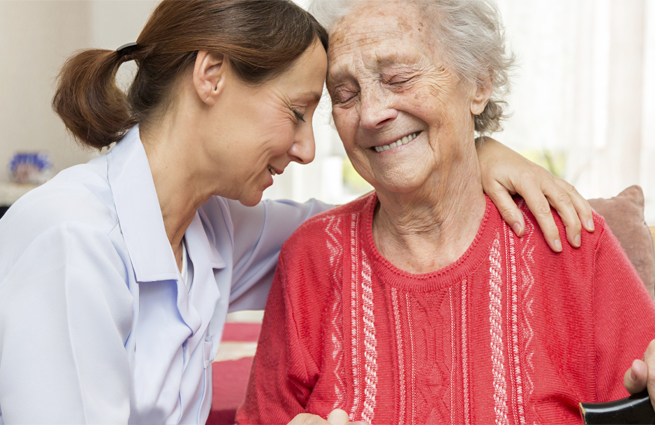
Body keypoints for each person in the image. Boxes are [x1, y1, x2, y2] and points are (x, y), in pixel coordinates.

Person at [0, 1, 591, 424]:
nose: (308, 147)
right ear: (211, 76)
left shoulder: (214, 228)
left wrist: (472, 150)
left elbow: (372, 223)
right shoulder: (69, 236)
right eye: (297, 110)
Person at [236, 0, 655, 423]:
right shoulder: (312, 257)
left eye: (398, 78)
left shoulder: (570, 241)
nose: (370, 113)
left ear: (479, 83)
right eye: (345, 94)